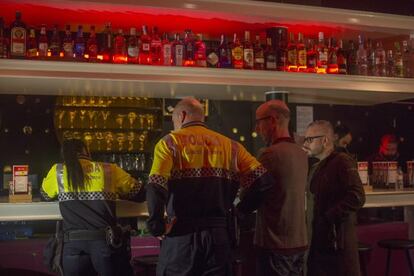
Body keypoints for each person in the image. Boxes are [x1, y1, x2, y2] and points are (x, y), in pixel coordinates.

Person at [146, 97, 272, 276]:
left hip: (181, 236)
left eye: (173, 120)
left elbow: (156, 186)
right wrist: (240, 211)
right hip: (219, 237)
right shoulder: (232, 146)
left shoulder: (170, 143)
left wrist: (156, 225)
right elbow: (264, 181)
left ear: (181, 116)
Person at [41, 138, 143, 276]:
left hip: (72, 247)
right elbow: (138, 192)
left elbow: (44, 195)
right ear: (86, 150)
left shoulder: (58, 171)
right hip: (104, 244)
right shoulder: (109, 169)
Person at [302, 120, 365, 276]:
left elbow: (357, 196)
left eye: (310, 139)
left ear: (325, 140)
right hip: (323, 240)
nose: (306, 143)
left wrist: (327, 219)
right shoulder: (319, 165)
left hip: (335, 242)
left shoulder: (342, 161)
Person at [253, 100, 308, 276]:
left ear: (273, 120)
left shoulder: (270, 154)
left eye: (259, 121)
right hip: (299, 240)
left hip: (275, 242)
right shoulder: (301, 153)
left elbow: (251, 195)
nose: (257, 129)